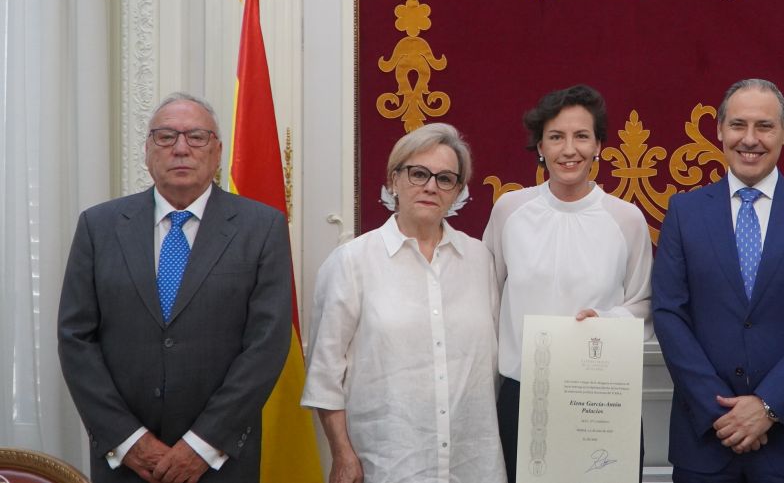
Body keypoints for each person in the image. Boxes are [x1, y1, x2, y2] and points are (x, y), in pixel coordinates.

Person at [57, 92, 293, 483]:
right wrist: (129, 440)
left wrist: (202, 445)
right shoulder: (98, 227)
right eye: (166, 137)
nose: (181, 148)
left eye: (196, 137)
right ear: (147, 151)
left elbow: (266, 345)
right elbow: (75, 339)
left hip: (220, 462)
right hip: (126, 463)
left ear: (217, 152)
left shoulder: (262, 227)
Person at [652, 78, 784, 483]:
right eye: (738, 125)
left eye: (764, 126)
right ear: (719, 131)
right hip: (706, 440)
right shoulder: (684, 211)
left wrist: (767, 406)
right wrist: (721, 413)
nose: (750, 139)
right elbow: (669, 314)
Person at [301, 123, 504, 483]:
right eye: (418, 173)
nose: (431, 186)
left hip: (472, 464)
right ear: (393, 180)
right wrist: (342, 453)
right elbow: (324, 374)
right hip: (388, 464)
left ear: (458, 192)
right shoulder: (352, 262)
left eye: (445, 179)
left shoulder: (480, 261)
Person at [483, 84, 653, 483]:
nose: (569, 149)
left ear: (599, 146)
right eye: (556, 137)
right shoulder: (510, 210)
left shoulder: (626, 219)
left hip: (601, 396)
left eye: (582, 136)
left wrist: (605, 320)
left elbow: (643, 304)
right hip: (524, 394)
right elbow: (487, 299)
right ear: (540, 146)